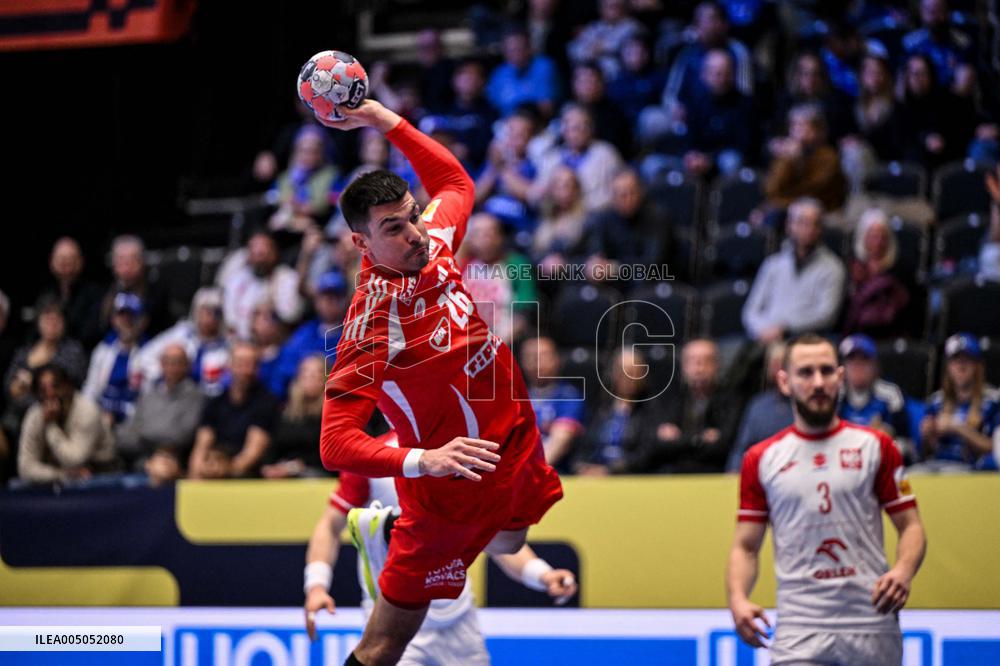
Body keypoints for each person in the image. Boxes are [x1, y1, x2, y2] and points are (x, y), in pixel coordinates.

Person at [314, 98, 563, 666]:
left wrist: (383, 120)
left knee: (511, 543)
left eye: (412, 214)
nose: (414, 234)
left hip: (512, 438)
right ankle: (391, 533)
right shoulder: (370, 323)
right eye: (393, 228)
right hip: (446, 489)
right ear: (362, 244)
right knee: (385, 645)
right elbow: (335, 442)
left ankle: (402, 526)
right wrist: (422, 460)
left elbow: (453, 180)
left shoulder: (437, 242)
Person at [727, 333, 927, 664]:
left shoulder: (877, 446)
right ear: (784, 381)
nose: (818, 382)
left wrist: (904, 571)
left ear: (840, 376)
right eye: (805, 372)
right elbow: (745, 546)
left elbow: (912, 526)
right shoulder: (760, 459)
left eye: (826, 371)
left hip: (871, 623)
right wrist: (737, 598)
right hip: (799, 627)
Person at [303, 432, 578, 663]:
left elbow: (491, 536)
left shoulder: (464, 452)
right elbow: (330, 526)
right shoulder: (373, 457)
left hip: (458, 620)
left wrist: (541, 574)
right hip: (394, 618)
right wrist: (316, 585)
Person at [742, 198, 846, 344]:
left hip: (806, 340)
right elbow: (750, 311)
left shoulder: (833, 267)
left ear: (820, 229)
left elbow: (826, 315)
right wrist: (763, 330)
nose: (807, 228)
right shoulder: (773, 264)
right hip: (764, 339)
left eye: (813, 223)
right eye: (801, 222)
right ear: (789, 225)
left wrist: (785, 328)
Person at [648, 338, 741, 473]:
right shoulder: (668, 399)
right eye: (693, 361)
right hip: (671, 476)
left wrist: (680, 440)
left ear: (717, 365)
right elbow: (658, 446)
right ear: (684, 367)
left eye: (706, 361)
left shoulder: (731, 400)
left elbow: (723, 446)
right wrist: (701, 439)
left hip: (714, 475)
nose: (699, 368)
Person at [188, 342, 278, 479]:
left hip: (248, 477)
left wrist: (224, 472)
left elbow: (251, 453)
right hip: (214, 467)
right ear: (230, 366)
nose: (246, 370)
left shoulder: (266, 403)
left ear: (257, 368)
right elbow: (202, 446)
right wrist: (197, 476)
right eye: (241, 363)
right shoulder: (215, 403)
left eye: (251, 364)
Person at [17, 364, 117, 485]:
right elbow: (25, 467)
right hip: (59, 476)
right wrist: (61, 475)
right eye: (43, 390)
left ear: (68, 386)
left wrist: (50, 425)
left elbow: (74, 461)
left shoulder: (87, 410)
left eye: (56, 386)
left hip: (101, 474)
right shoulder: (35, 415)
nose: (50, 394)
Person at [115, 342, 204, 476]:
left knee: (162, 469)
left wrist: (145, 436)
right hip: (143, 459)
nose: (172, 367)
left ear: (187, 366)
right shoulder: (149, 396)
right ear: (161, 365)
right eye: (167, 362)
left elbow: (180, 436)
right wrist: (151, 442)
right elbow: (126, 434)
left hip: (177, 463)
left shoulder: (197, 397)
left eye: (177, 362)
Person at [919, 333, 999, 471]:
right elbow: (924, 453)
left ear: (978, 366)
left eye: (967, 360)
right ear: (948, 367)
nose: (961, 366)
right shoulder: (935, 401)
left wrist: (958, 428)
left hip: (971, 472)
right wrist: (927, 436)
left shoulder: (993, 401)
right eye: (956, 360)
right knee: (904, 482)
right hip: (934, 468)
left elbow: (995, 449)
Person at [138, 286, 230, 397]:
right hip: (171, 395)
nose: (209, 317)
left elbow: (222, 384)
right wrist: (167, 374)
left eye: (215, 312)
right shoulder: (181, 333)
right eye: (205, 310)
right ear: (196, 311)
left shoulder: (227, 346)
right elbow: (145, 356)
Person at [216, 230, 305, 339]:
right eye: (255, 253)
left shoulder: (288, 278)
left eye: (263, 254)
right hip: (241, 344)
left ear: (274, 253)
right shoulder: (237, 279)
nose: (258, 259)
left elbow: (291, 315)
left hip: (277, 344)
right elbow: (230, 322)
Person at [519, 336, 585, 469]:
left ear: (557, 360)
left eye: (543, 356)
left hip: (554, 475)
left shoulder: (568, 396)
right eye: (530, 356)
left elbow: (560, 441)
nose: (536, 362)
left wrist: (529, 471)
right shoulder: (516, 398)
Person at [260, 355, 329, 479]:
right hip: (283, 469)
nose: (310, 379)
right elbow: (274, 444)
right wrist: (268, 465)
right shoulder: (285, 412)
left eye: (316, 375)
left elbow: (328, 453)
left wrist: (295, 467)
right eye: (306, 374)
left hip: (315, 472)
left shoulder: (330, 414)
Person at [82, 293, 147, 424]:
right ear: (114, 320)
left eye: (132, 317)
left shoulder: (149, 352)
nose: (127, 322)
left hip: (133, 420)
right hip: (99, 415)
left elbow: (147, 396)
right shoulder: (103, 349)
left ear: (141, 321)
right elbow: (91, 388)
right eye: (122, 317)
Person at [838, 335, 910, 442]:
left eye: (864, 360)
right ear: (843, 366)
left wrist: (887, 435)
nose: (857, 366)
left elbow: (905, 440)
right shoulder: (836, 393)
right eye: (851, 359)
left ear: (875, 366)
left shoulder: (891, 393)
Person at [35, 237, 103, 349]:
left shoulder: (93, 293)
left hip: (79, 355)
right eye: (61, 259)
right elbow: (35, 332)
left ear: (80, 262)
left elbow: (88, 335)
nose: (65, 264)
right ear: (52, 262)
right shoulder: (46, 293)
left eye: (70, 259)